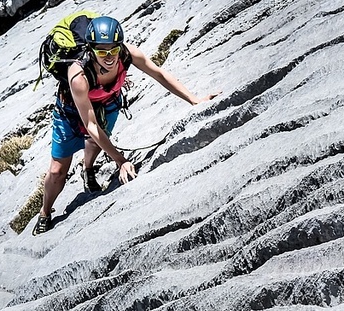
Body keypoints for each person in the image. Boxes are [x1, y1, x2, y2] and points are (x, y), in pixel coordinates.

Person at [34, 15, 219, 235]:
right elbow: (91, 124)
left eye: (113, 49)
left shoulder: (127, 54)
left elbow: (158, 73)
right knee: (57, 171)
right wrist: (121, 161)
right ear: (91, 49)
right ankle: (45, 212)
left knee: (95, 143)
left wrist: (193, 99)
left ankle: (88, 170)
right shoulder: (78, 75)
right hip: (70, 111)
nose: (109, 56)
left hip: (108, 102)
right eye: (102, 51)